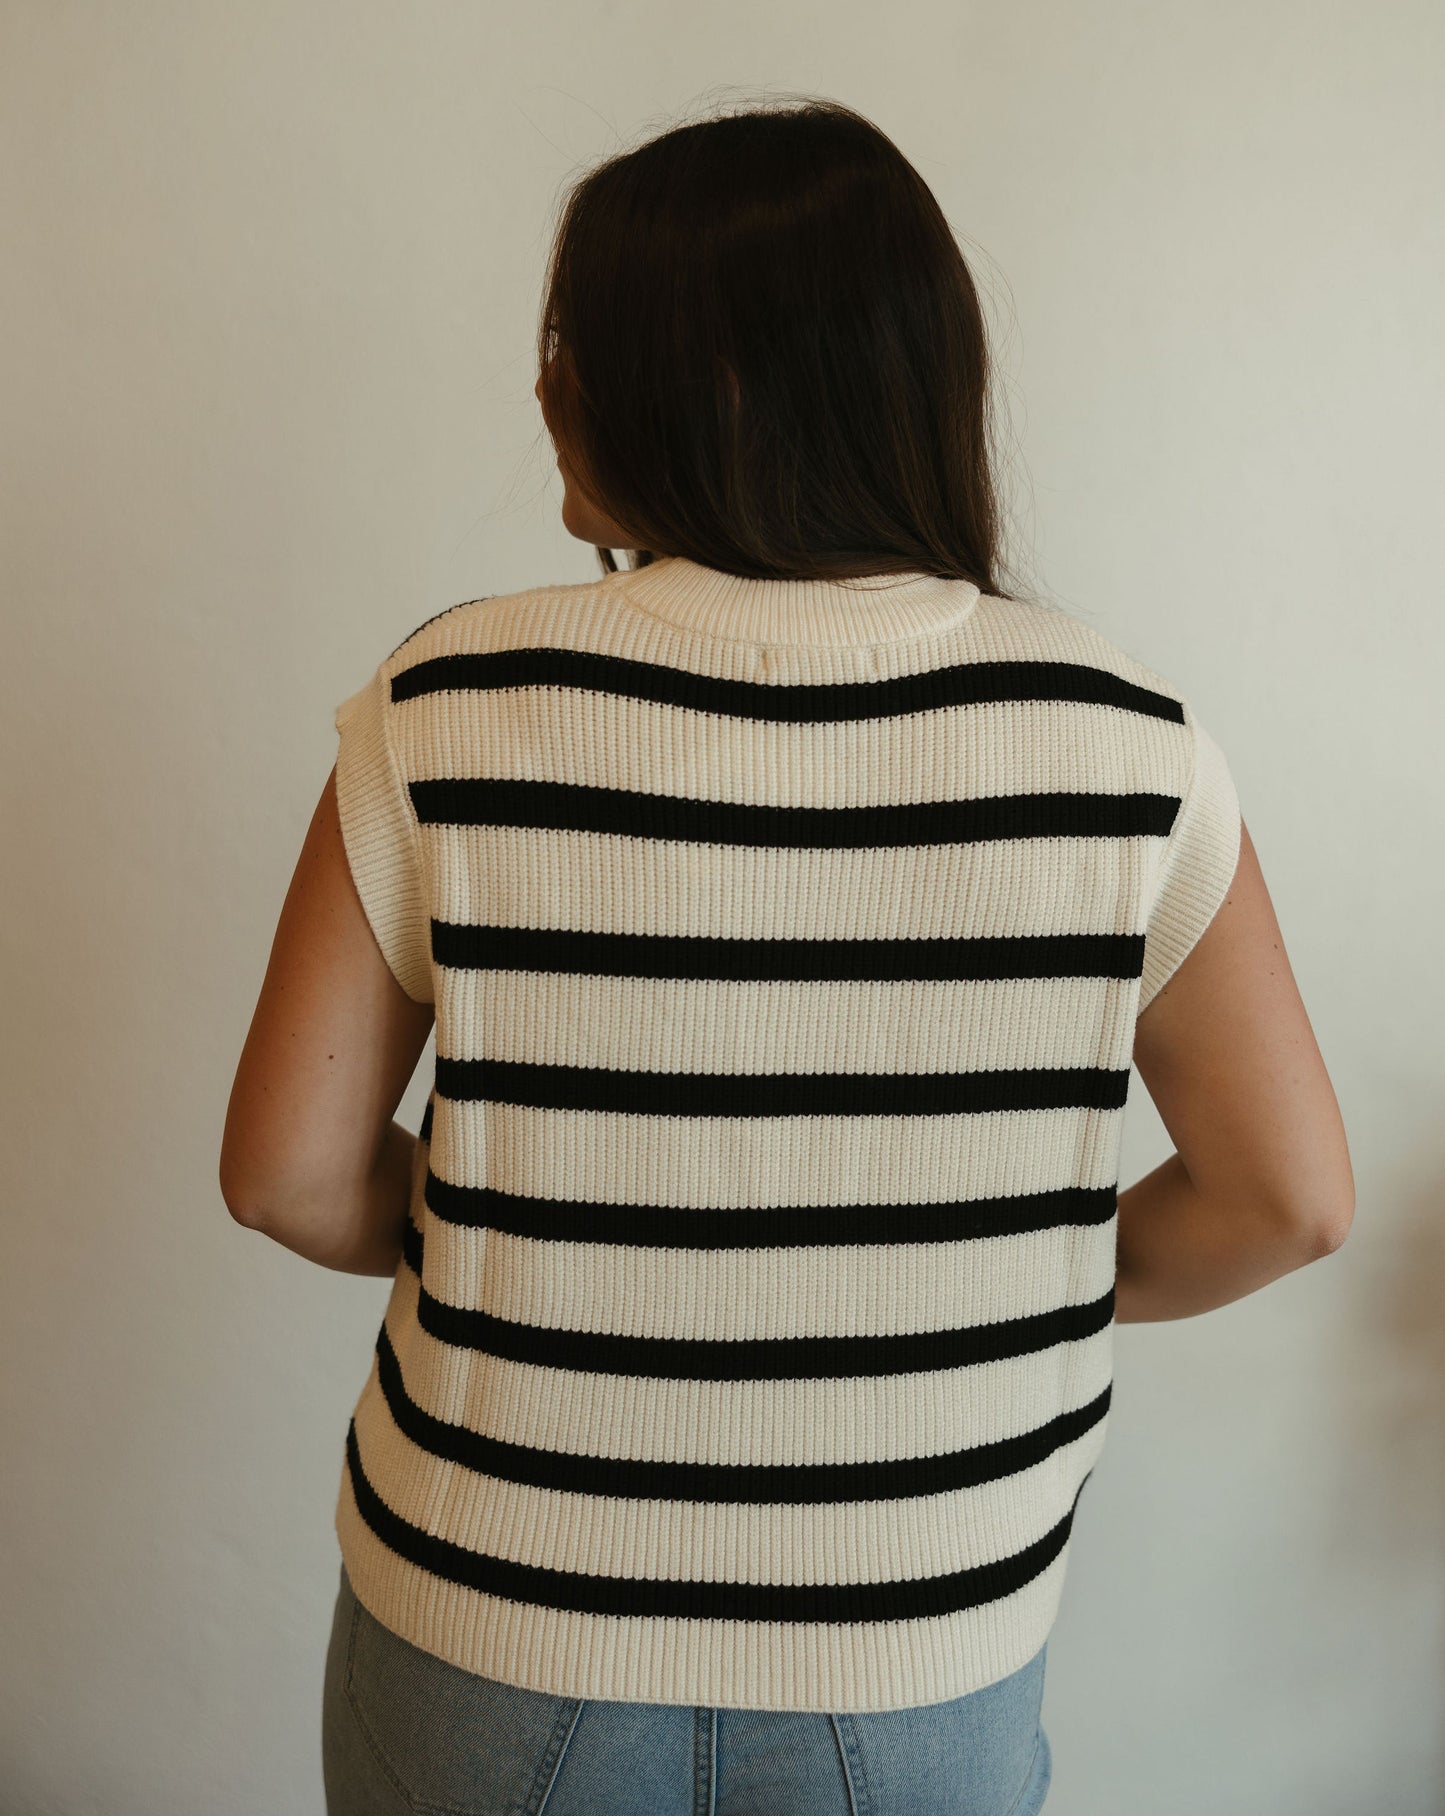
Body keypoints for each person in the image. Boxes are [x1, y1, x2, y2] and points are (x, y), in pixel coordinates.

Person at [220, 99, 1355, 1815]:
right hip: (914, 1651)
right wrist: (982, 1283)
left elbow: (290, 1181)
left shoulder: (446, 706)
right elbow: (1286, 1200)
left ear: (702, 388)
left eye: (570, 347)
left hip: (488, 1622)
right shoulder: (1122, 743)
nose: (546, 391)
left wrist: (541, 1253)